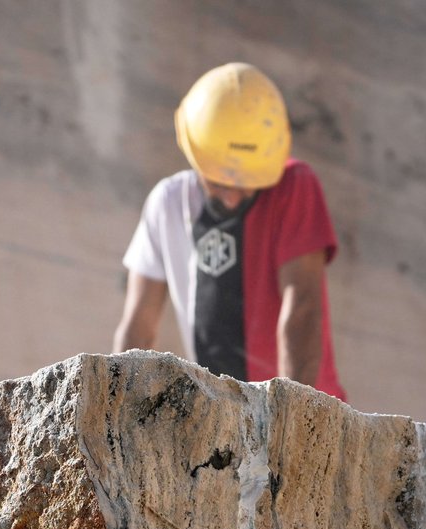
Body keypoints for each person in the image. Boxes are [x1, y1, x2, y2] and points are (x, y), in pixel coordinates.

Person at [114, 63, 347, 401]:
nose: (232, 194)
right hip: (224, 424)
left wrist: (290, 423)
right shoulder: (167, 203)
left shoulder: (295, 187)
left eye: (249, 182)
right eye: (219, 181)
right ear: (195, 154)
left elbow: (302, 308)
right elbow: (138, 326)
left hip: (310, 419)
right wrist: (118, 408)